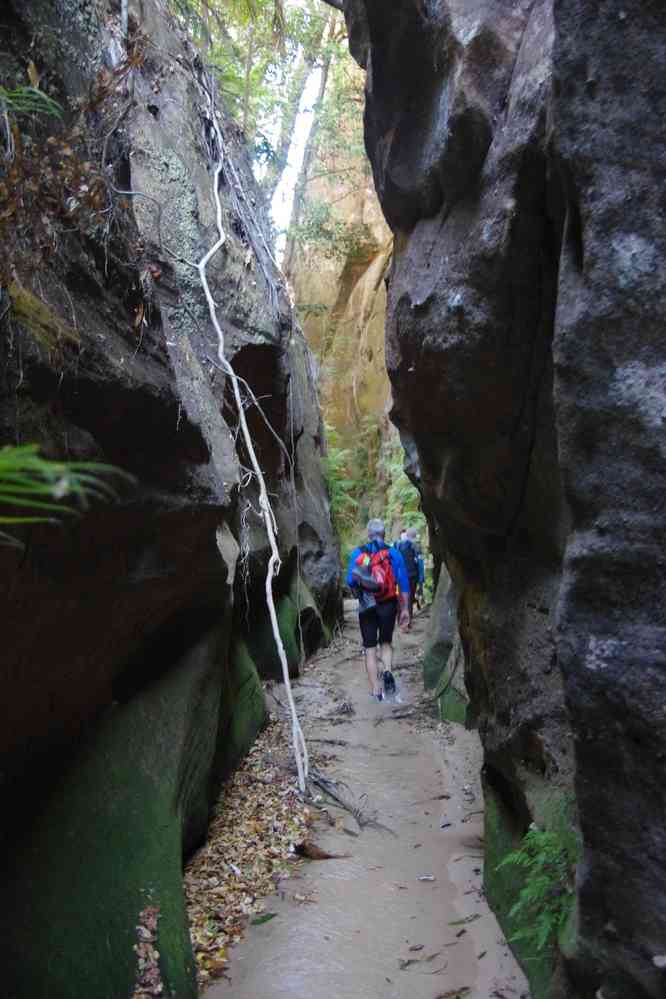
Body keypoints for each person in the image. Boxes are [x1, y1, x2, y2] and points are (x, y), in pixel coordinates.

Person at [347, 518, 410, 700]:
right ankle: (388, 671)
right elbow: (403, 584)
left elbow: (350, 581)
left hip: (367, 605)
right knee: (386, 642)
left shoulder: (359, 554)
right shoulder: (394, 554)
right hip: (388, 604)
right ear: (384, 534)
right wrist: (404, 609)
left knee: (370, 648)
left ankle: (376, 690)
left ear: (369, 534)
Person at [397, 526, 420, 627]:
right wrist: (421, 577)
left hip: (400, 576)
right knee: (409, 598)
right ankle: (408, 621)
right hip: (412, 575)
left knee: (400, 597)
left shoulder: (396, 545)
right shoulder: (415, 546)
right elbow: (420, 563)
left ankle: (400, 620)